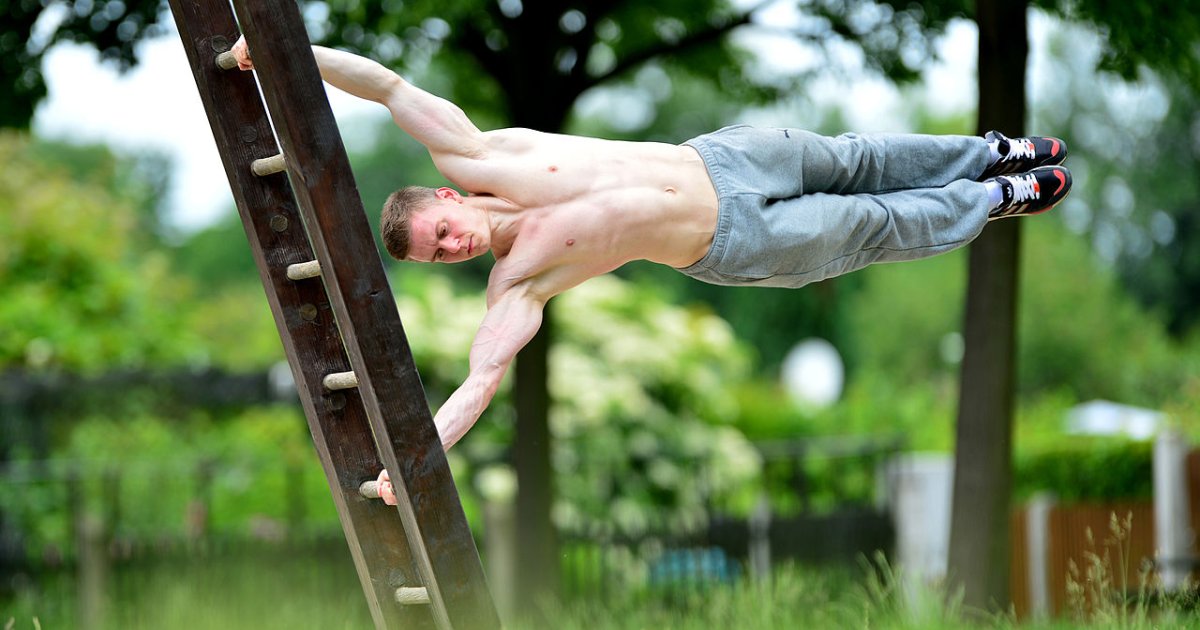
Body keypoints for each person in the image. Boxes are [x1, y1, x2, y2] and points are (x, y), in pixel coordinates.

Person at [231, 37, 1070, 461]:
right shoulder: (519, 284)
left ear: (447, 197)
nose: (454, 249)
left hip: (724, 156)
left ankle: (991, 152)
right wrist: (413, 455)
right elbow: (481, 379)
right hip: (737, 239)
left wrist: (273, 56)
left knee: (862, 159)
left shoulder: (478, 154)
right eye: (438, 258)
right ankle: (997, 197)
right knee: (874, 226)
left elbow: (385, 86)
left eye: (441, 233)